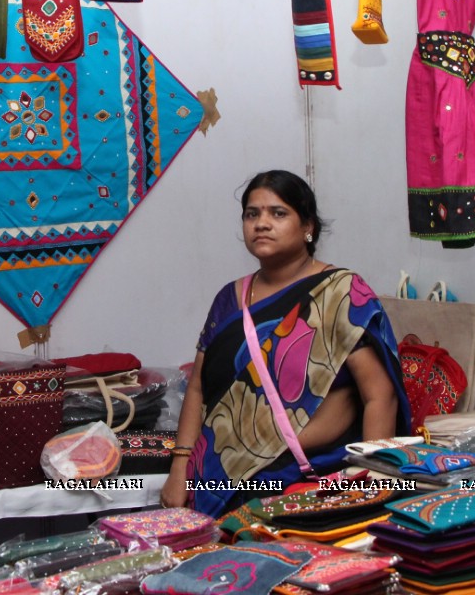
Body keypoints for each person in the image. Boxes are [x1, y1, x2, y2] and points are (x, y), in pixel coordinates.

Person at [160, 170, 411, 517]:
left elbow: (378, 395)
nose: (262, 223)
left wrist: (370, 486)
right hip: (225, 485)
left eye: (278, 213)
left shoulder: (340, 294)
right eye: (252, 214)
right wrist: (179, 471)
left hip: (316, 482)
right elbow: (199, 390)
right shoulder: (228, 300)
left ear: (308, 227)